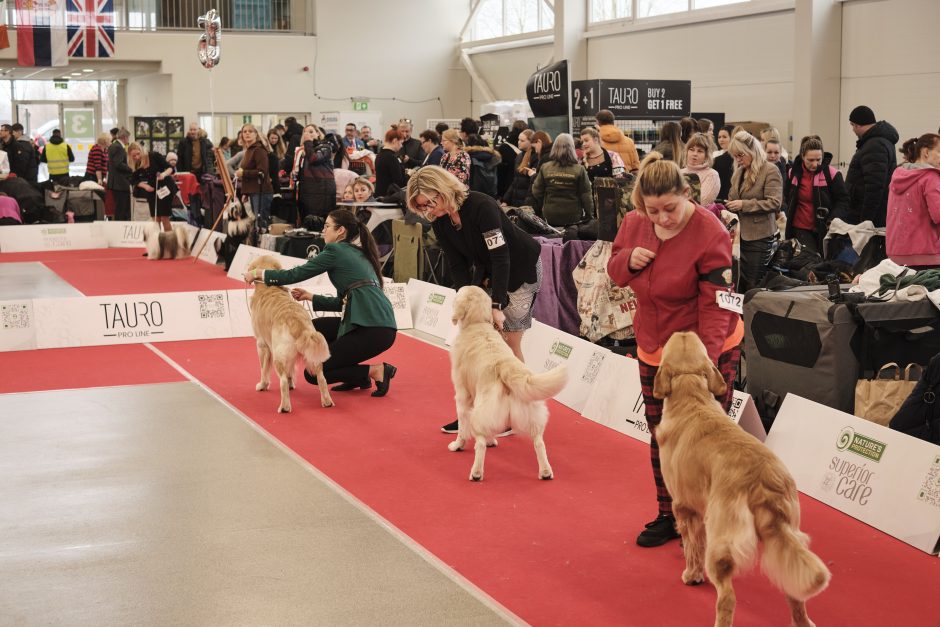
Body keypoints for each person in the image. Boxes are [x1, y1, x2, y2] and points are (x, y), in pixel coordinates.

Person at [607, 152, 741, 547]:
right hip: (653, 343)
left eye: (670, 208)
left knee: (709, 437)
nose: (662, 218)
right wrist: (629, 259)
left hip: (707, 347)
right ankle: (672, 515)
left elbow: (715, 305)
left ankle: (715, 517)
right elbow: (613, 269)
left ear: (687, 194)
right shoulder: (634, 223)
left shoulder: (710, 232)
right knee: (662, 434)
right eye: (653, 211)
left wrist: (706, 366)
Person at [405, 166, 542, 434]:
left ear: (442, 190)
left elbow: (501, 257)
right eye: (422, 207)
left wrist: (496, 305)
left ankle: (516, 413)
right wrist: (464, 300)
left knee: (508, 343)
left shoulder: (482, 206)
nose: (429, 210)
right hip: (488, 270)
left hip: (520, 268)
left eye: (430, 203)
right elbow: (457, 265)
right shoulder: (440, 221)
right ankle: (477, 411)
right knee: (480, 350)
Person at [243, 209, 398, 396]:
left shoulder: (335, 250)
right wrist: (311, 297)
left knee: (313, 372)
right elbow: (346, 303)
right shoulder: (356, 252)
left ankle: (376, 371)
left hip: (371, 328)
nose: (323, 230)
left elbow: (295, 274)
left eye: (327, 226)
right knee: (313, 328)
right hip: (376, 324)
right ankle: (356, 377)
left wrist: (259, 274)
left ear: (340, 231)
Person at [726, 131, 783, 291]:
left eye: (740, 155)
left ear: (752, 150)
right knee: (740, 284)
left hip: (760, 237)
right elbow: (733, 197)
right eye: (735, 156)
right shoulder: (739, 172)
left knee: (753, 284)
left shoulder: (770, 170)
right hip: (739, 237)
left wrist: (744, 205)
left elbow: (775, 202)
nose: (737, 160)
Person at [783, 135, 849, 254]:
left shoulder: (832, 174)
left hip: (825, 227)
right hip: (800, 227)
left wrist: (833, 218)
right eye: (810, 160)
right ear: (802, 157)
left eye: (818, 159)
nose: (815, 164)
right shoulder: (793, 173)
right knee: (811, 259)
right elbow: (787, 196)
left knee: (825, 262)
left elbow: (843, 200)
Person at [885, 133, 940, 267]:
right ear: (926, 152)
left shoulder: (897, 176)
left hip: (895, 255)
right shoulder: (931, 177)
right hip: (927, 256)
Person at [845, 105, 899, 227]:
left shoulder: (875, 145)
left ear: (857, 125)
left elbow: (874, 187)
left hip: (868, 217)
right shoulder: (878, 141)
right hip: (873, 214)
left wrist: (865, 221)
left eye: (852, 125)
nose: (853, 130)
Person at [531, 133, 594, 227]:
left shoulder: (545, 167)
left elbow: (536, 191)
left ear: (555, 148)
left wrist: (545, 203)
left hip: (550, 215)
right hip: (573, 216)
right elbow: (586, 195)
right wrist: (589, 215)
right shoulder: (579, 169)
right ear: (572, 149)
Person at [290, 124, 335, 220]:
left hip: (321, 190)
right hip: (306, 190)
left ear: (318, 133)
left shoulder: (325, 147)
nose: (307, 134)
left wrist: (308, 142)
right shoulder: (302, 150)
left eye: (311, 132)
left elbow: (314, 159)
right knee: (306, 221)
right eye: (305, 132)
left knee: (317, 221)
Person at [234, 123, 274, 233]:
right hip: (253, 191)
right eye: (244, 131)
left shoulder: (259, 150)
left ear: (256, 134)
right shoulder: (249, 150)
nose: (247, 133)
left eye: (250, 131)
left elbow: (262, 172)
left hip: (261, 191)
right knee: (256, 223)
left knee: (261, 224)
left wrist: (243, 173)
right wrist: (246, 192)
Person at [128, 142, 174, 231]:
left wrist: (163, 174)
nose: (137, 157)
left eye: (138, 154)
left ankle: (169, 242)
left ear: (142, 151)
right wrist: (145, 186)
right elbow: (133, 179)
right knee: (155, 219)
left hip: (164, 187)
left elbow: (170, 168)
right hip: (152, 189)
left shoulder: (153, 156)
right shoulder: (136, 163)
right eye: (134, 156)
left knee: (164, 218)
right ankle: (157, 242)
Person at [680, 132, 720, 207]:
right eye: (691, 149)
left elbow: (701, 202)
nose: (695, 153)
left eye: (700, 151)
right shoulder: (679, 172)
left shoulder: (712, 175)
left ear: (706, 155)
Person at [502, 129, 534, 207]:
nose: (519, 142)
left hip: (527, 203)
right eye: (518, 139)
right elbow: (515, 181)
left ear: (530, 142)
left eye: (522, 140)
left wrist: (527, 204)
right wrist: (506, 200)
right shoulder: (519, 156)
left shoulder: (535, 157)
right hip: (515, 201)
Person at [107, 128, 133, 221]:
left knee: (120, 208)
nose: (128, 140)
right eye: (128, 138)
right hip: (120, 183)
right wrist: (131, 169)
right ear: (124, 137)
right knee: (122, 209)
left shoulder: (113, 146)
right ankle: (121, 228)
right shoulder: (118, 147)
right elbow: (118, 164)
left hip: (115, 183)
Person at [374, 128, 407, 197]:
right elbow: (399, 182)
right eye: (401, 143)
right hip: (389, 197)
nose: (401, 146)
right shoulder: (391, 157)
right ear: (395, 141)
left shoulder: (379, 155)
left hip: (380, 195)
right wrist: (409, 175)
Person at [712, 124, 736, 201]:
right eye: (719, 137)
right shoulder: (715, 154)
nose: (721, 140)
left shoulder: (736, 157)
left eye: (724, 137)